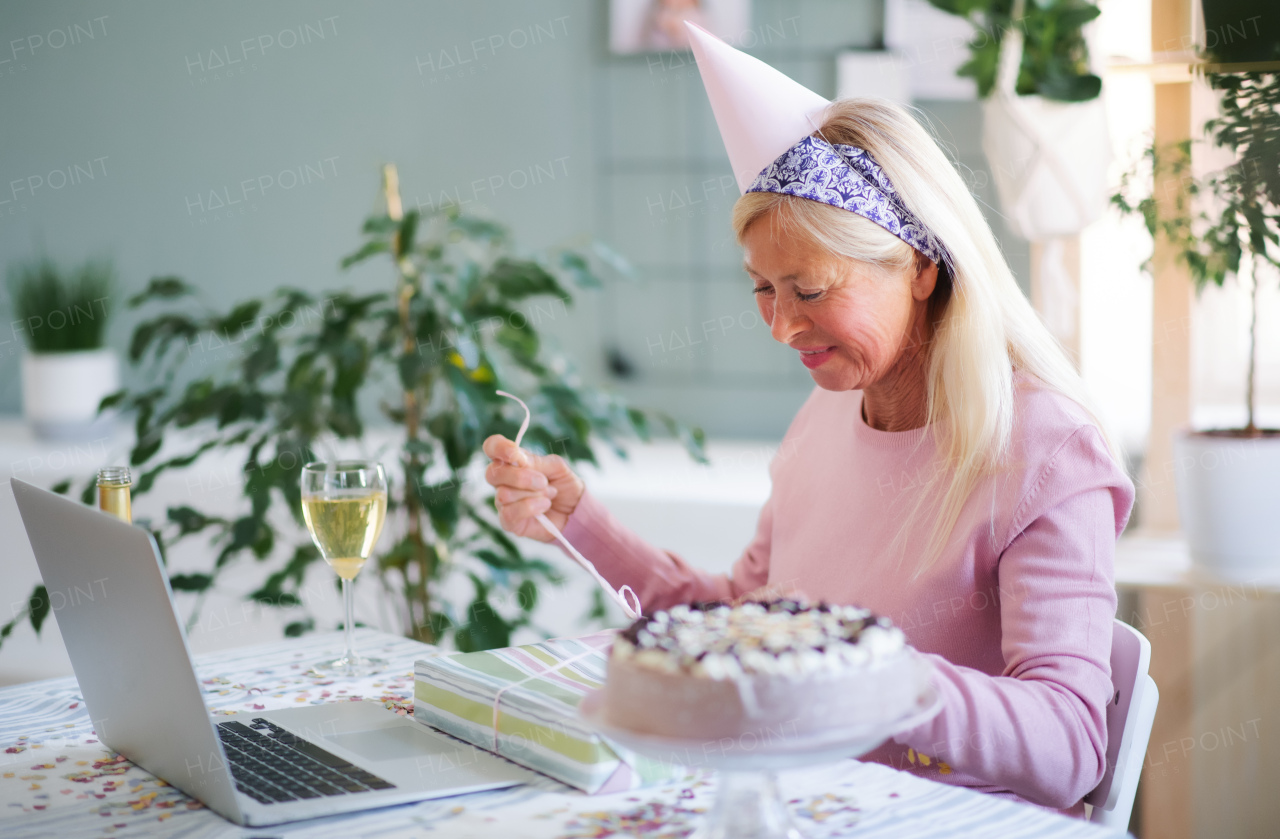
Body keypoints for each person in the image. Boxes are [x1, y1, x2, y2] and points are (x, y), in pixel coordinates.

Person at [483, 23, 1132, 817]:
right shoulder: (825, 418)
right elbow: (738, 626)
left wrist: (867, 673)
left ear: (923, 266)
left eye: (812, 290)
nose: (782, 327)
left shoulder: (1047, 453)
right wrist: (575, 520)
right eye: (762, 288)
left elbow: (1068, 747)